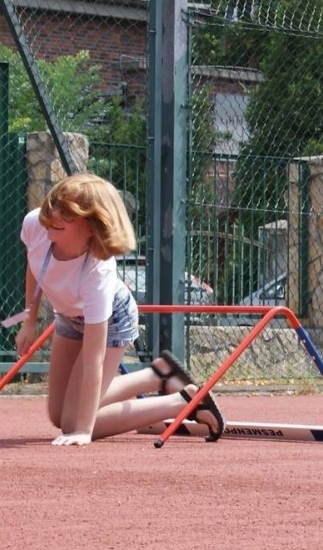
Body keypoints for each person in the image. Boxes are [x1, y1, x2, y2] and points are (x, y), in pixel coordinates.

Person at [13, 173, 223, 445]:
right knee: (57, 414)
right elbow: (34, 265)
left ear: (91, 226)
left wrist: (83, 431)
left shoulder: (97, 271)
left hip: (112, 319)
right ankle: (157, 375)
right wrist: (28, 321)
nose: (52, 216)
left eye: (66, 215)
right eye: (54, 206)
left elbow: (93, 361)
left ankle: (184, 400)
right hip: (67, 315)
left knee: (70, 422)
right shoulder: (35, 224)